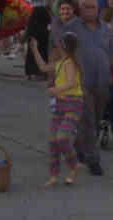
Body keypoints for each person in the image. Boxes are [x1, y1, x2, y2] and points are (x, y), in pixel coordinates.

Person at [61, 0, 113, 177]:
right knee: (87, 118)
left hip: (102, 80)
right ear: (80, 10)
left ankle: (78, 147)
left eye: (93, 7)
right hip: (81, 81)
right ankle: (93, 159)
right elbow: (62, 52)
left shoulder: (106, 29)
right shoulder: (72, 27)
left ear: (98, 9)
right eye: (85, 7)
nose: (89, 9)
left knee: (95, 119)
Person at [28, 32, 83, 187]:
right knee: (53, 141)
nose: (56, 47)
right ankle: (54, 175)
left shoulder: (70, 63)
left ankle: (74, 165)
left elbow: (71, 83)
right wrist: (34, 49)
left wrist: (55, 90)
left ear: (64, 46)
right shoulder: (60, 62)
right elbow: (43, 67)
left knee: (62, 137)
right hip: (60, 104)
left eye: (58, 45)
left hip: (73, 103)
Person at [24, 0, 51, 81]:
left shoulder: (32, 11)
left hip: (33, 34)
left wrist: (27, 36)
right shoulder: (44, 10)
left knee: (31, 54)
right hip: (43, 35)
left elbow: (29, 24)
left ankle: (30, 73)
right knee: (43, 54)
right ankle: (41, 73)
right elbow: (49, 21)